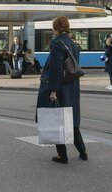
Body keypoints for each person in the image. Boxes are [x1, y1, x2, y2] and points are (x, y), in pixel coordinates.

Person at [36, 16, 87, 164]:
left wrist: (53, 90)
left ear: (56, 29)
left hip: (61, 87)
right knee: (72, 120)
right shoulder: (72, 43)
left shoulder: (58, 44)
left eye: (53, 28)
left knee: (57, 119)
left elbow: (56, 70)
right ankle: (83, 152)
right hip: (72, 86)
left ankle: (62, 155)